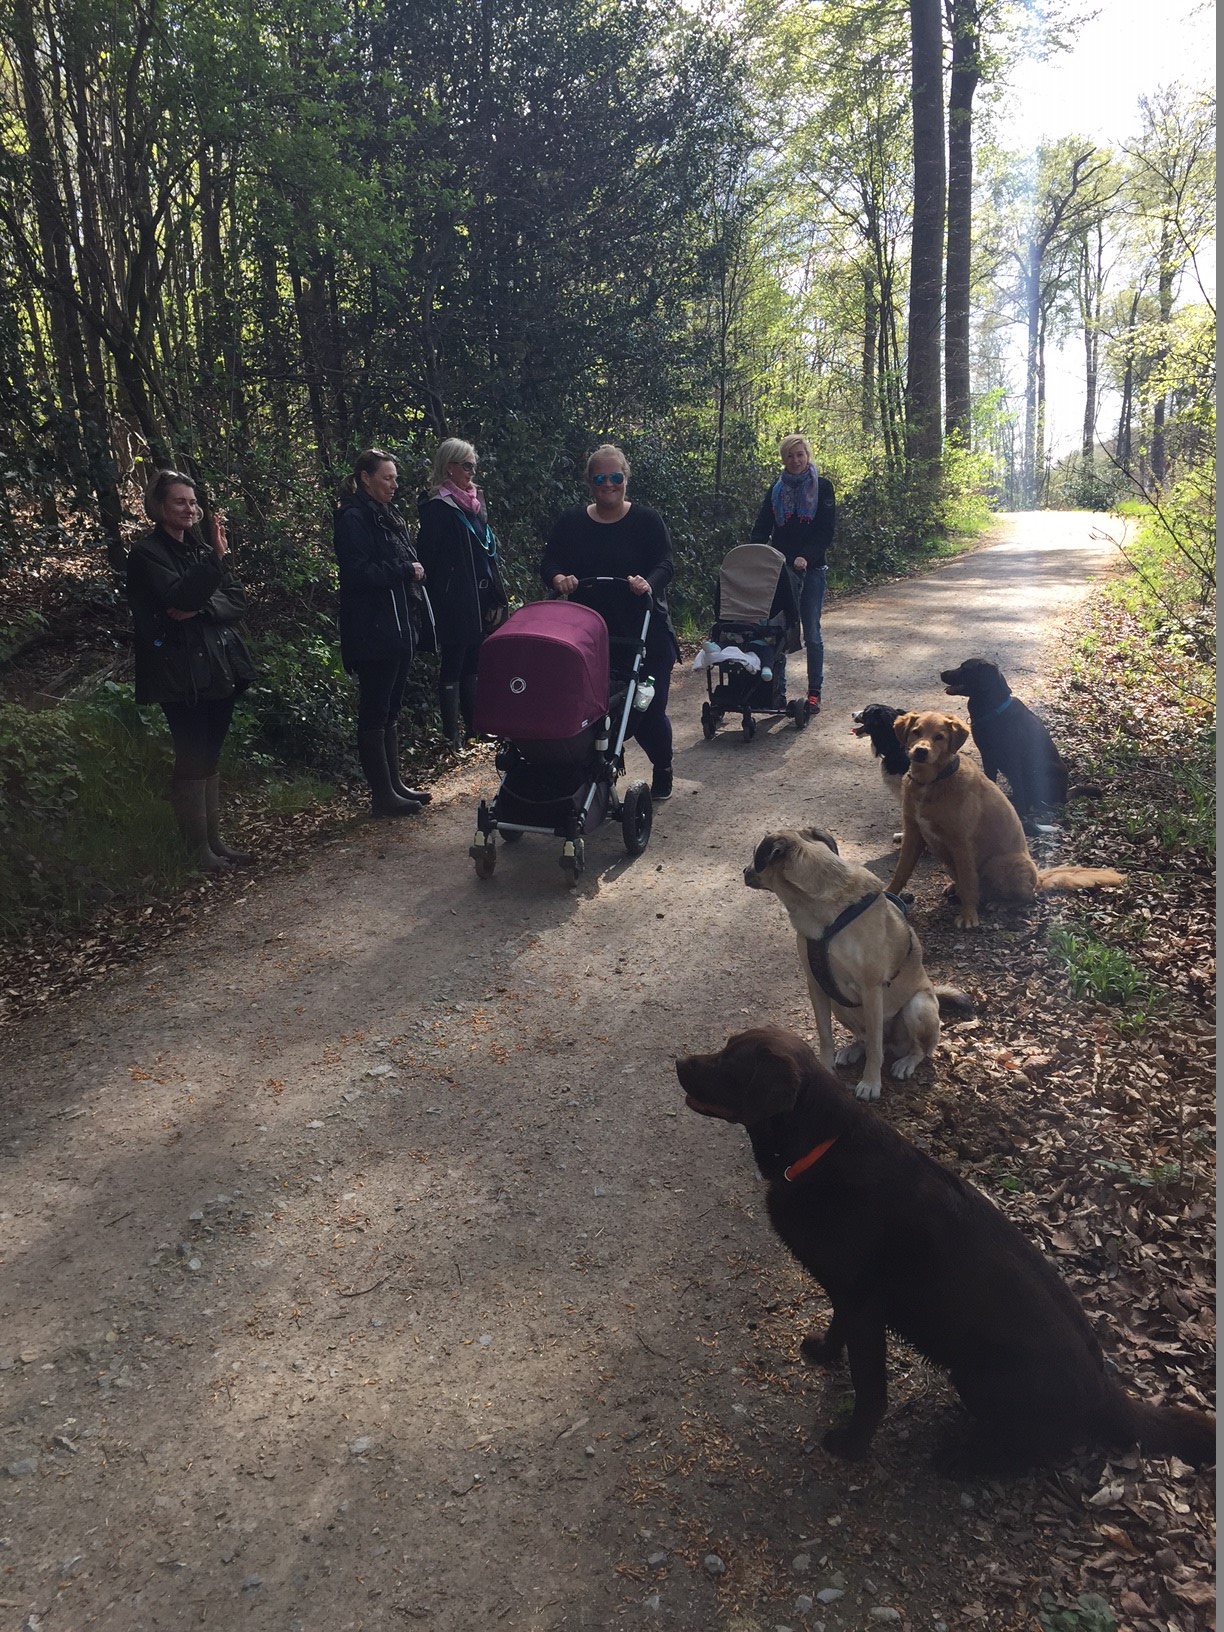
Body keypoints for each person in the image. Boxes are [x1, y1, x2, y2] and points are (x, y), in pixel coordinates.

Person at [126, 469, 258, 871]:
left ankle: (214, 843)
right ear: (160, 507)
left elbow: (236, 599)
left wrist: (201, 604)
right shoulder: (147, 553)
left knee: (211, 753)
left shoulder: (199, 551)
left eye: (193, 501)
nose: (189, 508)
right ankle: (196, 848)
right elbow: (176, 598)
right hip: (176, 670)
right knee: (191, 752)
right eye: (180, 501)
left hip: (216, 665)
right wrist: (211, 573)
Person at [540, 444, 680, 801]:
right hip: (589, 639)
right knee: (591, 713)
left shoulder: (647, 521)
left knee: (646, 714)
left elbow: (665, 562)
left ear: (626, 479)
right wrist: (559, 580)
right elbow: (550, 562)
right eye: (600, 478)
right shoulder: (572, 523)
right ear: (589, 482)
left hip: (645, 634)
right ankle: (597, 776)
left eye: (615, 477)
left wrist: (649, 582)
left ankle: (662, 765)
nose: (608, 484)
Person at [334, 448, 434, 816]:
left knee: (390, 708)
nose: (394, 484)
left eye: (395, 477)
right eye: (386, 477)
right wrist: (404, 570)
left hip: (399, 625)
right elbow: (358, 573)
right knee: (374, 709)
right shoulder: (353, 518)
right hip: (372, 630)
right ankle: (382, 795)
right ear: (365, 478)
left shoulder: (387, 515)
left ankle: (395, 784)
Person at [414, 438, 509, 748]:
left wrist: (494, 593)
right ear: (449, 467)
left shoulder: (475, 505)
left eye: (474, 466)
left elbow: (485, 553)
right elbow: (431, 557)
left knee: (474, 659)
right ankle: (452, 736)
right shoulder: (437, 507)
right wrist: (446, 591)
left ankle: (475, 727)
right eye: (466, 466)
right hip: (453, 600)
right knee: (454, 660)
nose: (472, 472)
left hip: (480, 596)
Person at [749, 434, 835, 712]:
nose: (795, 460)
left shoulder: (822, 487)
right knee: (778, 630)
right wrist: (754, 551)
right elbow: (762, 526)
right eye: (790, 456)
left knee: (811, 632)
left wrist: (805, 556)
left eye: (800, 455)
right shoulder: (775, 490)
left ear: (807, 456)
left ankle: (814, 692)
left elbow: (825, 531)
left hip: (811, 570)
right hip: (780, 570)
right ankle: (778, 690)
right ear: (783, 459)